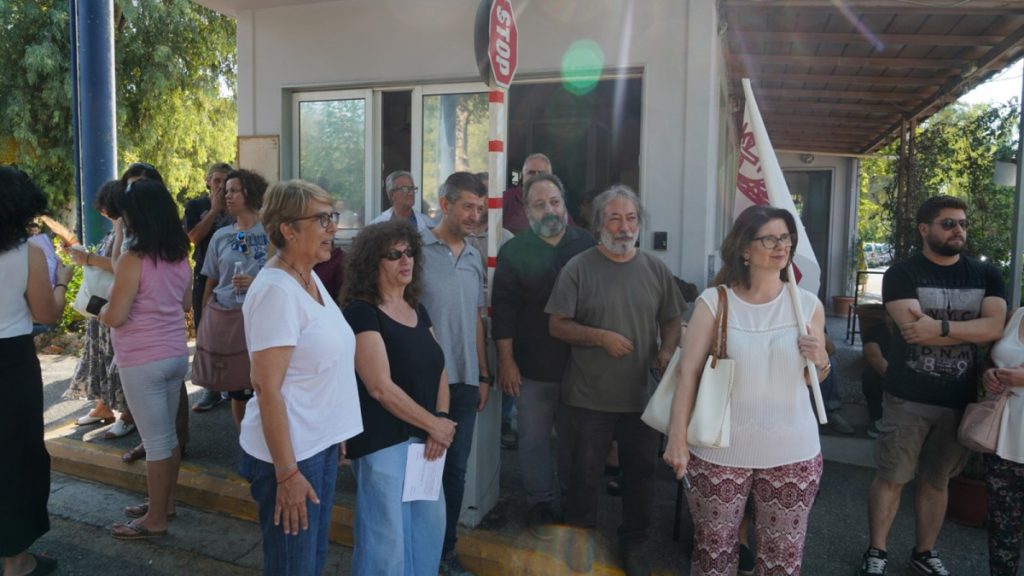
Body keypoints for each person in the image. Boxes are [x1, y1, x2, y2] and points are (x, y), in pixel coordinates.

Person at [662, 205, 826, 576]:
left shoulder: (806, 305)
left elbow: (812, 379)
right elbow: (687, 373)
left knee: (782, 562)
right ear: (744, 248)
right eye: (769, 239)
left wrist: (820, 360)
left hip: (794, 452)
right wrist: (677, 438)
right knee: (713, 557)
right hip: (719, 450)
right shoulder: (714, 302)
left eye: (786, 238)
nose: (781, 246)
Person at [859, 195, 1006, 576]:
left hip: (958, 399)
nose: (959, 230)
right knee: (892, 477)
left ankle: (924, 553)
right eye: (948, 223)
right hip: (907, 396)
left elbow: (994, 328)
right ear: (924, 229)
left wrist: (938, 327)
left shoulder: (986, 275)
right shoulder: (902, 273)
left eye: (963, 223)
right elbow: (913, 333)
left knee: (937, 481)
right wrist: (969, 331)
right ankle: (877, 552)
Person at [546, 185, 684, 575]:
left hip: (641, 397)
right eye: (615, 219)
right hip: (588, 396)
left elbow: (672, 319)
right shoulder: (578, 268)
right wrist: (600, 337)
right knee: (584, 476)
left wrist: (666, 350)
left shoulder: (655, 269)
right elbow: (557, 325)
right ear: (598, 224)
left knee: (640, 476)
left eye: (631, 218)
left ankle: (634, 545)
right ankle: (579, 546)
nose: (624, 227)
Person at [238, 180, 362, 575]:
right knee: (294, 568)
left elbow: (320, 365)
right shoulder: (276, 291)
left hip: (316, 444)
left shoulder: (308, 277)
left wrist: (334, 428)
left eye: (332, 217)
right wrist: (287, 472)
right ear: (288, 229)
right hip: (291, 457)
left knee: (312, 561)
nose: (333, 227)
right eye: (322, 219)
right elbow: (266, 388)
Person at [341, 221, 456, 575]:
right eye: (393, 254)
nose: (405, 260)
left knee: (427, 534)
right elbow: (379, 387)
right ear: (371, 263)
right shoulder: (361, 312)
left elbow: (439, 368)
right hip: (384, 443)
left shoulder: (416, 308)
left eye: (409, 252)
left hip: (426, 442)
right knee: (386, 545)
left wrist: (440, 420)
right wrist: (434, 425)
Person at [491, 173, 594, 536]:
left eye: (554, 202)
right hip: (531, 368)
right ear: (526, 210)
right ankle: (541, 502)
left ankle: (571, 500)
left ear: (564, 204)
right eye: (539, 204)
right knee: (533, 441)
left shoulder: (588, 244)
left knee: (574, 443)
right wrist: (506, 362)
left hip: (580, 368)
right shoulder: (514, 251)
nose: (548, 209)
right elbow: (503, 312)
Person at [99, 178, 193, 540]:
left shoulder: (132, 260)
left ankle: (155, 519)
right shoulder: (179, 257)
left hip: (141, 359)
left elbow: (116, 316)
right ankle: (164, 505)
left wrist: (101, 310)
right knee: (167, 437)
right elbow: (185, 304)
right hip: (174, 355)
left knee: (156, 442)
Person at [0, 166, 72, 576]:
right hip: (11, 363)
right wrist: (62, 281)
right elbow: (47, 313)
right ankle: (16, 560)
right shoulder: (25, 253)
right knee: (16, 455)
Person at [419, 171, 491, 576]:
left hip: (465, 382)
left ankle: (445, 553)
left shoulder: (475, 256)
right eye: (467, 206)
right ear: (444, 204)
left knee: (455, 472)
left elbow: (476, 319)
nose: (474, 215)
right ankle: (420, 551)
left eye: (479, 208)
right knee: (421, 471)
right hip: (425, 384)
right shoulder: (414, 251)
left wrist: (483, 374)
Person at [198, 169, 270, 428]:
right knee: (238, 389)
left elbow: (288, 274)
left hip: (264, 318)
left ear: (250, 193)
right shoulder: (221, 236)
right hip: (229, 318)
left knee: (265, 384)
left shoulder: (273, 232)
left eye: (234, 191)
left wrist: (257, 282)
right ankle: (244, 439)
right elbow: (211, 280)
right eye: (225, 191)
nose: (227, 196)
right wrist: (206, 316)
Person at [65, 180, 134, 437]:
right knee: (101, 356)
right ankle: (103, 406)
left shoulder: (127, 229)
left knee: (115, 358)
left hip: (114, 301)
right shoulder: (116, 228)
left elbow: (120, 265)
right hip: (103, 303)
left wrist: (88, 258)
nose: (102, 211)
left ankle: (128, 413)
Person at [186, 162, 235, 413]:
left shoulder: (236, 205)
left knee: (232, 330)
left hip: (232, 277)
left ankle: (233, 382)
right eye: (216, 180)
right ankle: (211, 387)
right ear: (207, 181)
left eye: (225, 181)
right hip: (205, 275)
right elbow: (193, 238)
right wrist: (215, 210)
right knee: (206, 328)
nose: (220, 186)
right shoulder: (196, 206)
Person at [981, 309, 1024, 576]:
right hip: (1004, 439)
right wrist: (988, 373)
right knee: (1002, 528)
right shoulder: (1016, 316)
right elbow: (989, 358)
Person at [857, 304, 890, 438]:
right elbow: (874, 357)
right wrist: (897, 381)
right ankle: (877, 417)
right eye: (889, 314)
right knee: (870, 373)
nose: (892, 319)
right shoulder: (875, 331)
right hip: (889, 375)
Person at [502, 153, 552, 235]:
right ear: (523, 175)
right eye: (531, 173)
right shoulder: (507, 198)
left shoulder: (555, 202)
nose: (535, 177)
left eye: (541, 173)